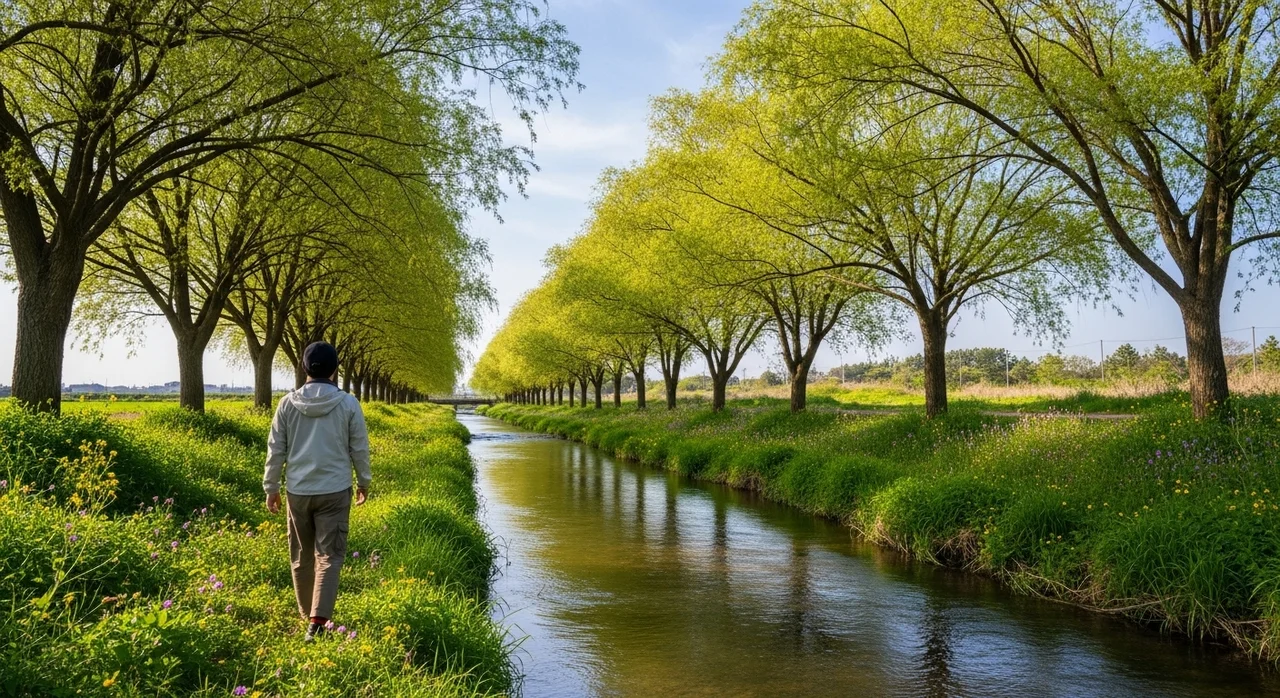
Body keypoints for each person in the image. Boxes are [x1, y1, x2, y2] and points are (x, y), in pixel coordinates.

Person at [263, 341, 371, 641]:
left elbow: (276, 450)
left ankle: (306, 616)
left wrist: (271, 486)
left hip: (298, 491)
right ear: (336, 370)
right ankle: (318, 623)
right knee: (329, 556)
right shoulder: (348, 404)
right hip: (335, 489)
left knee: (300, 555)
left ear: (304, 368)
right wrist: (364, 481)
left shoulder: (286, 404)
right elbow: (358, 447)